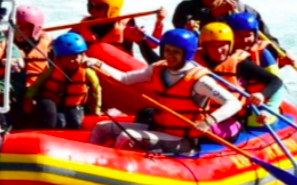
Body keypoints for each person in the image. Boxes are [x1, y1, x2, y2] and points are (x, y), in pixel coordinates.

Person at [89, 29, 243, 154]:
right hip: (158, 129)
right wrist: (99, 64)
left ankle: (116, 171)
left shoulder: (199, 80)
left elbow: (233, 103)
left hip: (182, 140)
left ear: (187, 53)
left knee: (127, 136)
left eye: (176, 52)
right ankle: (91, 162)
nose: (170, 56)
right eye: (167, 50)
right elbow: (124, 78)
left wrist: (209, 121)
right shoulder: (157, 69)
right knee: (102, 128)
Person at [195, 22, 284, 128]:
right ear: (204, 47)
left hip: (231, 117)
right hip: (201, 113)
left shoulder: (240, 63)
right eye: (212, 46)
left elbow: (275, 81)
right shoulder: (194, 62)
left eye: (223, 45)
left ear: (230, 45)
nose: (218, 50)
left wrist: (262, 95)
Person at [24, 32, 101, 130]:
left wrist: (96, 109)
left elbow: (96, 90)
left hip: (74, 105)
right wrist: (28, 98)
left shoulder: (87, 72)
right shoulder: (52, 71)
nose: (72, 61)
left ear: (82, 56)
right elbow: (37, 85)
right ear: (59, 59)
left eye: (75, 57)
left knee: (76, 123)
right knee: (60, 122)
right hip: (55, 104)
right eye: (67, 58)